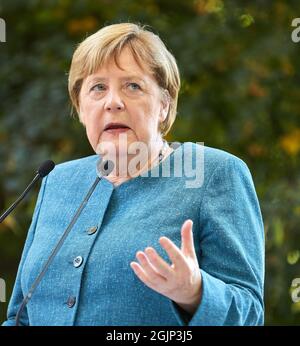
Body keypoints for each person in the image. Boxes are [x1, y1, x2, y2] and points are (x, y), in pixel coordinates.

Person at [2, 22, 264, 326]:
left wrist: (196, 293)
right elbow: (20, 316)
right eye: (98, 87)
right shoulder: (57, 181)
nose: (113, 102)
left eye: (133, 86)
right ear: (82, 108)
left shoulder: (212, 173)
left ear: (164, 105)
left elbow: (250, 314)